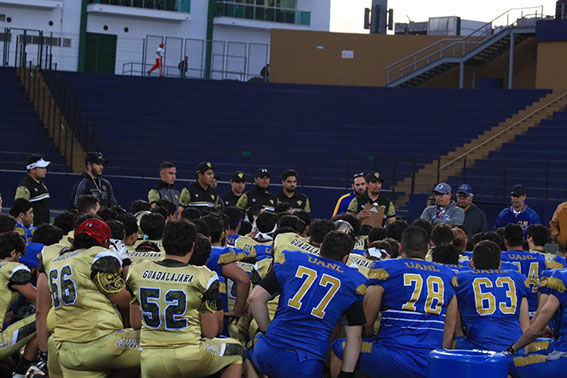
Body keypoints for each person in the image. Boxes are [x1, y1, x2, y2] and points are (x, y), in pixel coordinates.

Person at [330, 226, 458, 378]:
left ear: (401, 247)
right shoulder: (448, 275)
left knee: (340, 347)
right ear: (428, 248)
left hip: (392, 356)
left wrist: (369, 335)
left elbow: (367, 321)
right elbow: (450, 327)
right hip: (431, 360)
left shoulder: (387, 268)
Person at [126, 220, 244, 378]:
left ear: (164, 244)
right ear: (192, 246)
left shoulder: (137, 270)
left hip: (151, 359)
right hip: (189, 357)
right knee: (237, 351)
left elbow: (135, 323)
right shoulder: (204, 276)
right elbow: (210, 332)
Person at [247, 231, 367, 378]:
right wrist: (346, 373)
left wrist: (267, 329)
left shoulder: (293, 260)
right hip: (306, 364)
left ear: (321, 247)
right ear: (346, 258)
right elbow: (354, 338)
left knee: (248, 352)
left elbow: (255, 298)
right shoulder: (353, 281)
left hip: (268, 352)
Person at [48, 218, 140, 377]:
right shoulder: (97, 256)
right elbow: (124, 299)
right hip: (99, 341)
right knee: (163, 343)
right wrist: (126, 264)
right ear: (105, 242)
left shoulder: (57, 261)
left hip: (66, 349)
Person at [454, 240, 529, 351]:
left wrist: (458, 336)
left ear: (472, 262)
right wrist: (523, 351)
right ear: (499, 264)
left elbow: (453, 313)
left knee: (451, 341)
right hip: (514, 345)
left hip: (479, 346)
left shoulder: (461, 279)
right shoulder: (517, 278)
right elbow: (525, 323)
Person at [505, 268, 567, 377]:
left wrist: (511, 349)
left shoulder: (561, 278)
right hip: (557, 345)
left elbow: (536, 330)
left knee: (504, 362)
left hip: (562, 360)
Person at [501, 224, 565, 315]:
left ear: (505, 241)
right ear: (523, 240)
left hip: (510, 310)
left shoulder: (499, 258)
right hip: (537, 309)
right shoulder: (541, 258)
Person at [15, 155, 51, 226]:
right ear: (32, 170)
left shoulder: (42, 185)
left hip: (43, 229)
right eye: (42, 168)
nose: (45, 170)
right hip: (32, 231)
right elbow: (19, 211)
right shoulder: (24, 188)